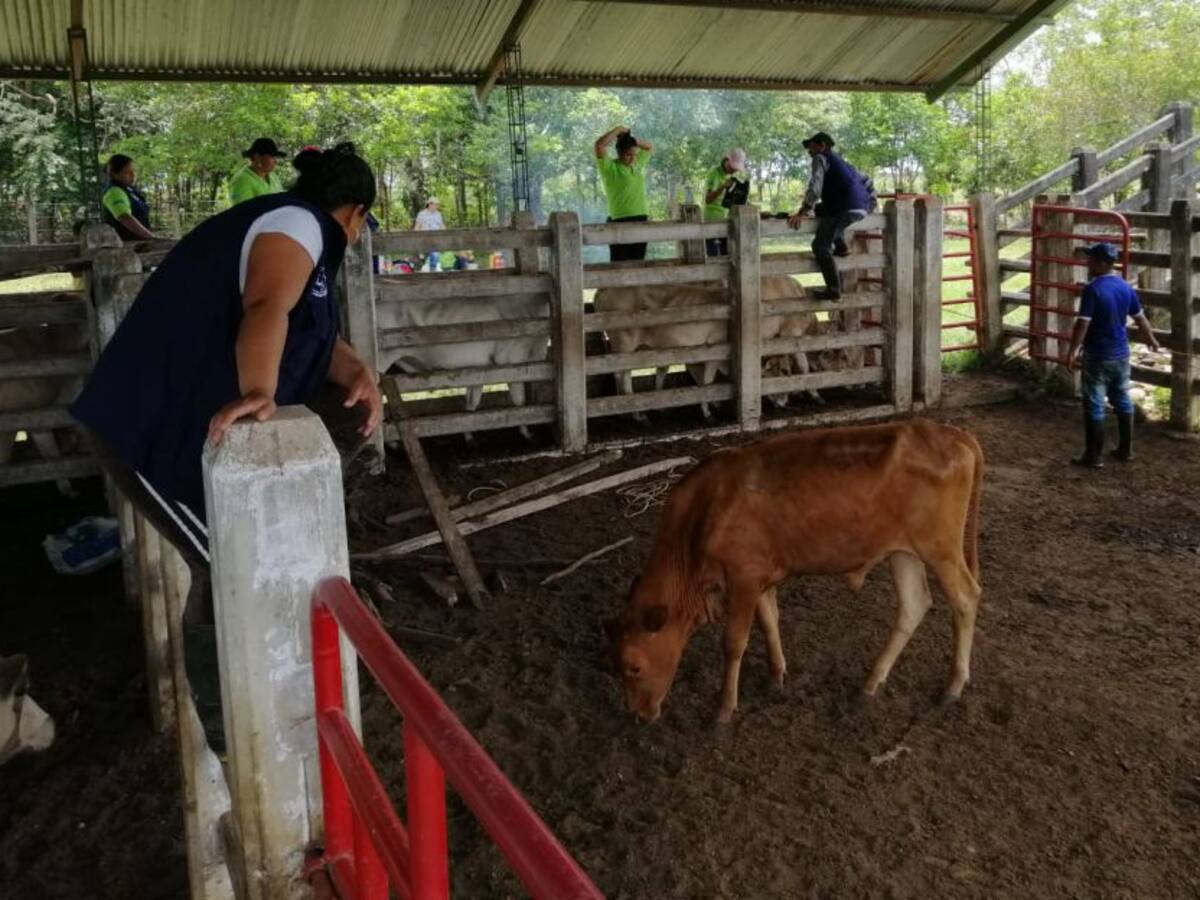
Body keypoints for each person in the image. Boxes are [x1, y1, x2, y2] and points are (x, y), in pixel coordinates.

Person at [71, 143, 382, 754]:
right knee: (228, 564)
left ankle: (248, 708)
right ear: (355, 214)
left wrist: (355, 371)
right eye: (364, 224)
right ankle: (228, 729)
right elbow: (266, 307)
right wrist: (260, 391)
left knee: (232, 560)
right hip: (151, 425)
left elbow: (295, 321)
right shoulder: (299, 224)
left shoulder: (297, 235)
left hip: (178, 421)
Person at [1063, 242, 1161, 467]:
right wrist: (1151, 340)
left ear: (1101, 263)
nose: (1088, 262)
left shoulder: (1093, 289)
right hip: (1121, 355)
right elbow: (1140, 318)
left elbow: (1082, 324)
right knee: (1123, 400)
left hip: (1098, 355)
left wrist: (1072, 351)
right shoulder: (1125, 287)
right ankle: (1125, 450)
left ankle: (1093, 456)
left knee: (1095, 403)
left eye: (1091, 259)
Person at [787, 132, 871, 300]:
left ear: (821, 146)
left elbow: (815, 187)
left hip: (844, 207)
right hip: (860, 207)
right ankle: (841, 246)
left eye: (811, 146)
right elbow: (866, 180)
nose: (809, 151)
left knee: (820, 246)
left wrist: (802, 211)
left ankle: (834, 290)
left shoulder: (820, 158)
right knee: (820, 210)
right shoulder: (841, 162)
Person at [594, 125, 653, 262]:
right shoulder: (610, 168)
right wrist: (619, 130)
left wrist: (631, 140)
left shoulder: (637, 165)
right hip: (620, 219)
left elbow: (649, 147)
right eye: (628, 155)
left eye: (634, 155)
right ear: (619, 153)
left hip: (641, 219)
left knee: (638, 262)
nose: (632, 159)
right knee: (619, 264)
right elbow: (599, 145)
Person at [702, 148, 749, 257]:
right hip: (712, 221)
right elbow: (707, 200)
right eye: (733, 167)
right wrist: (722, 187)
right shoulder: (713, 174)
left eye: (737, 168)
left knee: (727, 255)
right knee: (713, 256)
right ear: (727, 160)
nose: (735, 170)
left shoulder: (731, 176)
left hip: (726, 220)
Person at [101, 154, 156, 241]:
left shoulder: (129, 190)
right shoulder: (114, 192)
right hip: (126, 247)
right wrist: (150, 237)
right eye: (127, 172)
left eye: (133, 171)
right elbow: (125, 218)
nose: (133, 175)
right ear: (114, 174)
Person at [228, 137, 286, 206]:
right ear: (257, 157)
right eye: (272, 157)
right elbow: (244, 212)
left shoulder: (273, 177)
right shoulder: (242, 180)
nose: (275, 161)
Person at [413, 198, 445, 271]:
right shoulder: (421, 214)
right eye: (436, 204)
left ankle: (432, 269)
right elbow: (417, 227)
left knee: (435, 254)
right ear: (430, 204)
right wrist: (415, 239)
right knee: (430, 255)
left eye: (438, 205)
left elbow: (442, 226)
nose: (437, 206)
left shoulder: (438, 214)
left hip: (436, 238)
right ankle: (429, 268)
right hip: (425, 238)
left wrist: (447, 236)